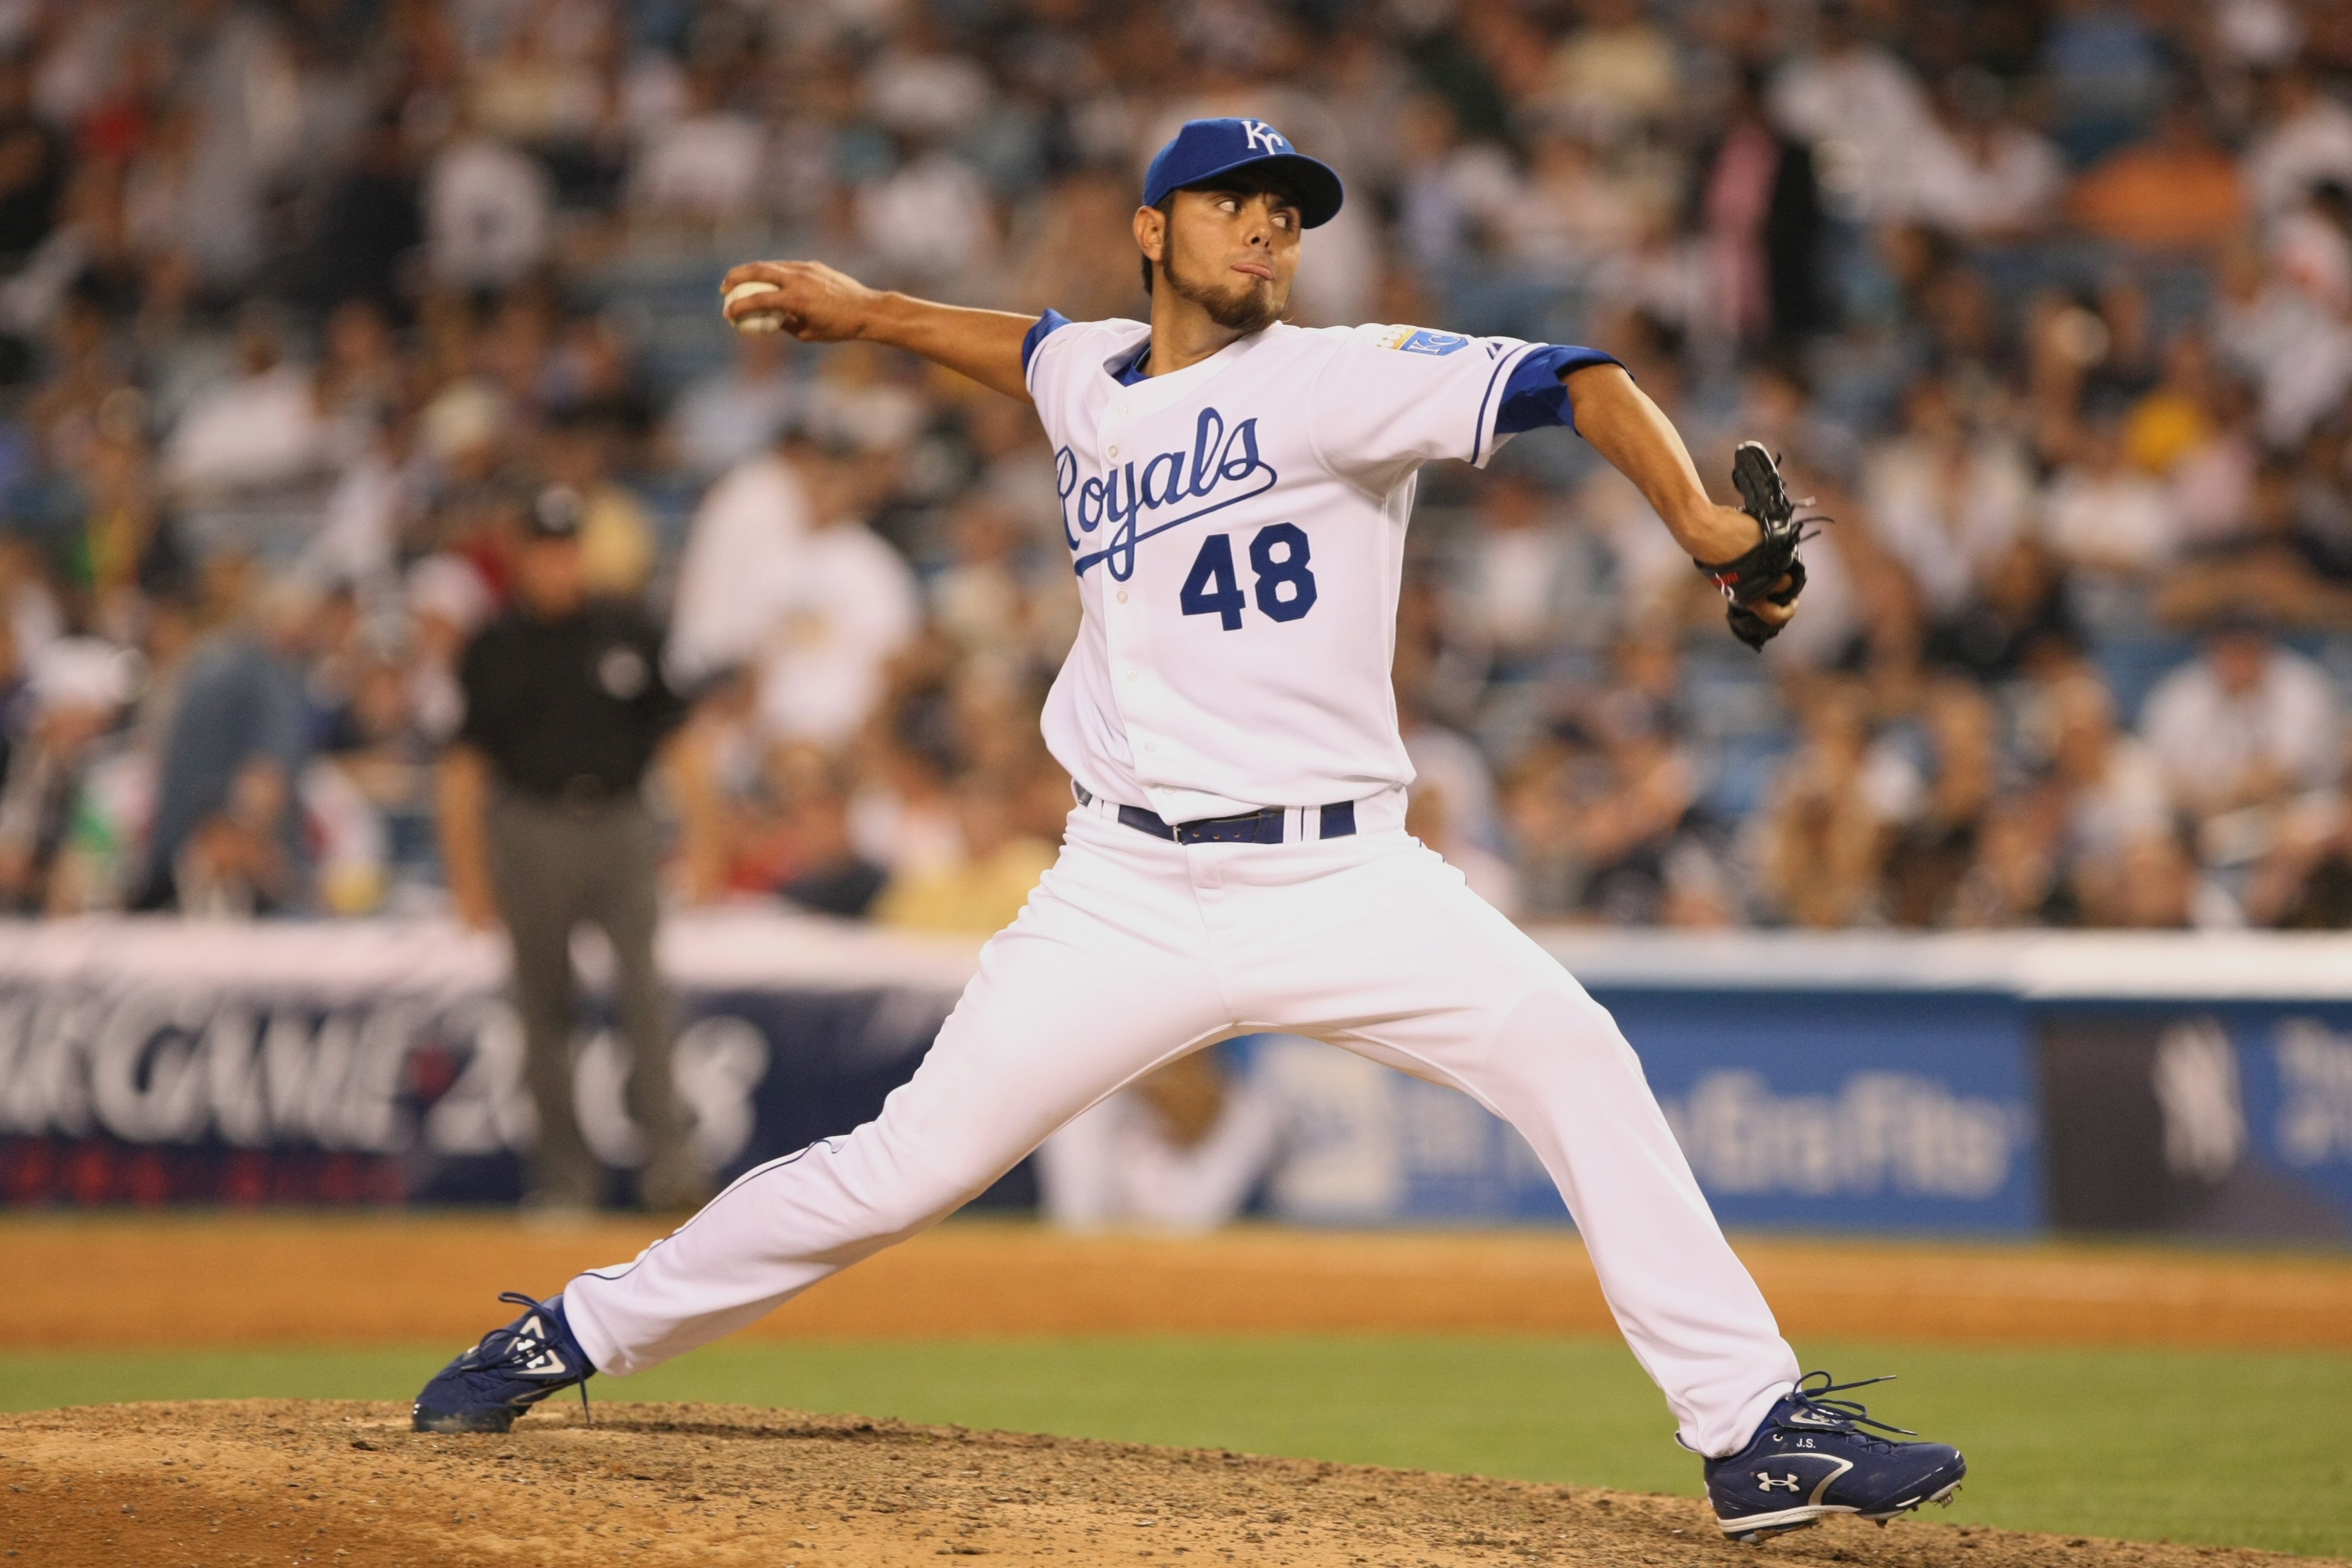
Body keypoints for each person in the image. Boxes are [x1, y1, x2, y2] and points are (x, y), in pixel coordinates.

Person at [413, 117, 1963, 1543]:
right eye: (1236, 207)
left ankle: (1751, 1427)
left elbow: (1585, 378)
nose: (1268, 236)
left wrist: (1698, 524)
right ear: (1154, 229)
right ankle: (573, 1330)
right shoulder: (1091, 371)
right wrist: (868, 309)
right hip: (1126, 888)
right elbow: (1021, 347)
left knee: (1574, 1058)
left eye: (1287, 216)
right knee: (901, 1166)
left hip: (1340, 875)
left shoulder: (1340, 372)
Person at [436, 486, 700, 1215]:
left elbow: (678, 742)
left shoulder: (626, 628)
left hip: (621, 821)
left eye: (568, 548)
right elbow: (464, 771)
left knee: (645, 998)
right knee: (544, 1008)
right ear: (523, 557)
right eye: (546, 550)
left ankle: (670, 1169)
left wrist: (706, 840)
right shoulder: (494, 644)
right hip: (531, 826)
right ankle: (564, 1179)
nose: (560, 564)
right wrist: (468, 878)